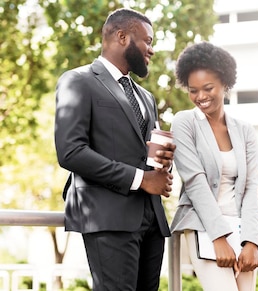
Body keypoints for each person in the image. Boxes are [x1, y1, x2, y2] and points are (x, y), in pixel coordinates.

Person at [54, 8, 175, 290]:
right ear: (122, 36)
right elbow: (70, 151)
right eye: (148, 40)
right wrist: (141, 179)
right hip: (107, 217)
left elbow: (137, 150)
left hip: (152, 220)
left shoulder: (145, 96)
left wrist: (161, 162)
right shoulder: (78, 81)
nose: (152, 50)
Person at [170, 42, 258, 290]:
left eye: (208, 88)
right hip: (204, 226)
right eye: (193, 90)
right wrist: (219, 237)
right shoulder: (184, 122)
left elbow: (252, 187)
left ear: (225, 83)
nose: (200, 96)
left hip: (242, 230)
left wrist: (252, 242)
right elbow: (195, 182)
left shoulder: (245, 131)